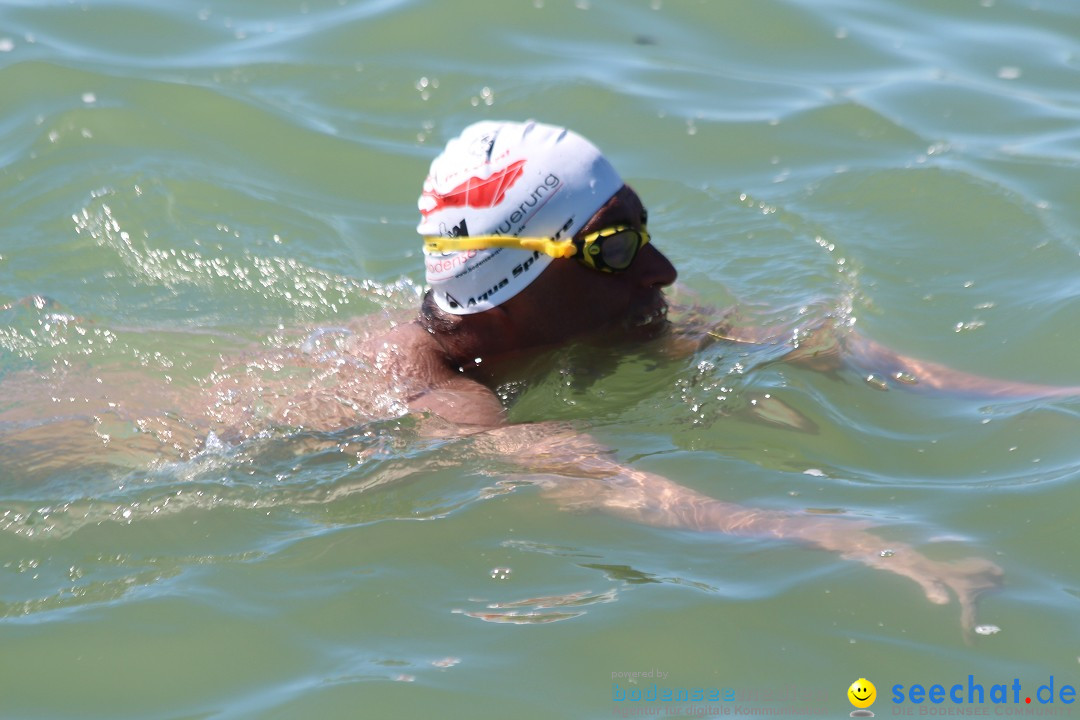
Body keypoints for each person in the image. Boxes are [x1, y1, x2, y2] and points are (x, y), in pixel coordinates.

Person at [8, 120, 1063, 630]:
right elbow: (604, 484)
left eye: (640, 230)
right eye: (613, 248)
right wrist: (850, 536)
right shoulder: (443, 397)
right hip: (55, 449)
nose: (660, 268)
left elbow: (825, 346)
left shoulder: (596, 309)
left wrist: (1051, 401)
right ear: (508, 292)